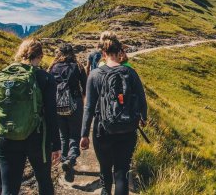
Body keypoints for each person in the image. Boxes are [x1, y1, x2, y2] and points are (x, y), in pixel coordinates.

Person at [80, 32, 147, 195]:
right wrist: (143, 118)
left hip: (102, 130)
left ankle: (105, 191)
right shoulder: (130, 73)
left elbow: (88, 107)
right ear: (119, 53)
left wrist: (84, 134)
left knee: (105, 170)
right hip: (127, 129)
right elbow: (142, 98)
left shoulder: (95, 75)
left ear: (103, 54)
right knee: (122, 172)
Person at [0, 38, 61, 195]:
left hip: (6, 137)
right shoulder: (45, 78)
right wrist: (56, 144)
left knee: (9, 187)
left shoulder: (3, 75)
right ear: (39, 56)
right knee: (44, 181)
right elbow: (52, 113)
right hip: (37, 138)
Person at [49, 43, 87, 182]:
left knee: (63, 135)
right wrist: (81, 100)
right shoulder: (78, 66)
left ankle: (65, 160)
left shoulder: (53, 67)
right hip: (75, 103)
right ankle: (71, 159)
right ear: (72, 53)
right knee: (75, 134)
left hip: (57, 105)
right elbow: (85, 86)